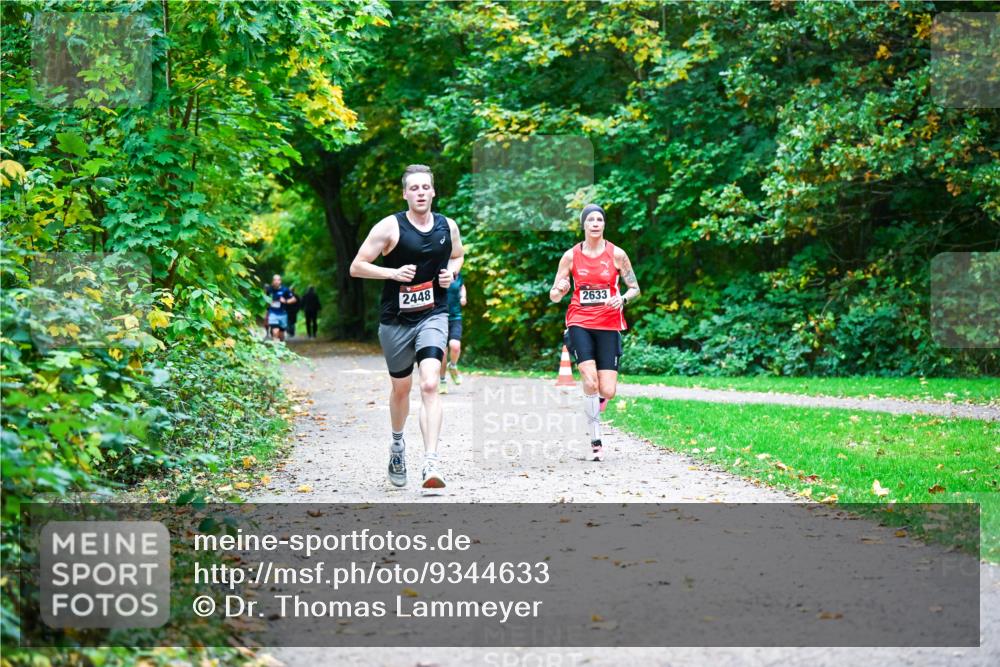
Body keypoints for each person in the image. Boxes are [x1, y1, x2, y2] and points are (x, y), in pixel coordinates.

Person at [349, 164, 464, 491]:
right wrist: (391, 273)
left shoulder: (447, 226)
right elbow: (357, 266)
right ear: (405, 193)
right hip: (395, 321)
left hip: (433, 315)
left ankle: (432, 461)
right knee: (401, 389)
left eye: (425, 187)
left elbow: (458, 256)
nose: (420, 193)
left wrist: (451, 274)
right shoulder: (389, 227)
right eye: (413, 188)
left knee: (429, 384)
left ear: (433, 191)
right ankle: (398, 446)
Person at [549, 204, 640, 461]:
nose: (595, 224)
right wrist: (561, 289)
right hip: (579, 321)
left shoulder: (617, 254)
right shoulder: (570, 256)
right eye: (591, 220)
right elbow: (554, 295)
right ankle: (595, 441)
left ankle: (593, 405)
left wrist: (622, 299)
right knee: (590, 381)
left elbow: (634, 288)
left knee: (608, 390)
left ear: (604, 225)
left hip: (610, 324)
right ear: (584, 225)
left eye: (600, 219)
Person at [438, 271, 467, 394]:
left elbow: (462, 286)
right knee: (442, 354)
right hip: (439, 318)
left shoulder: (458, 274)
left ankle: (453, 366)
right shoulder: (438, 273)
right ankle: (442, 380)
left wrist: (463, 296)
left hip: (455, 317)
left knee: (455, 346)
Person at [264, 274, 296, 343]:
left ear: (280, 281)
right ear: (272, 281)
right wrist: (268, 303)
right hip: (273, 313)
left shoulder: (285, 290)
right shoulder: (269, 290)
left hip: (283, 313)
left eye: (278, 280)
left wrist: (286, 301)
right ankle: (276, 347)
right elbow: (264, 300)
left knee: (281, 336)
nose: (276, 281)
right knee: (275, 332)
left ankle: (280, 345)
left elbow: (294, 299)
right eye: (274, 280)